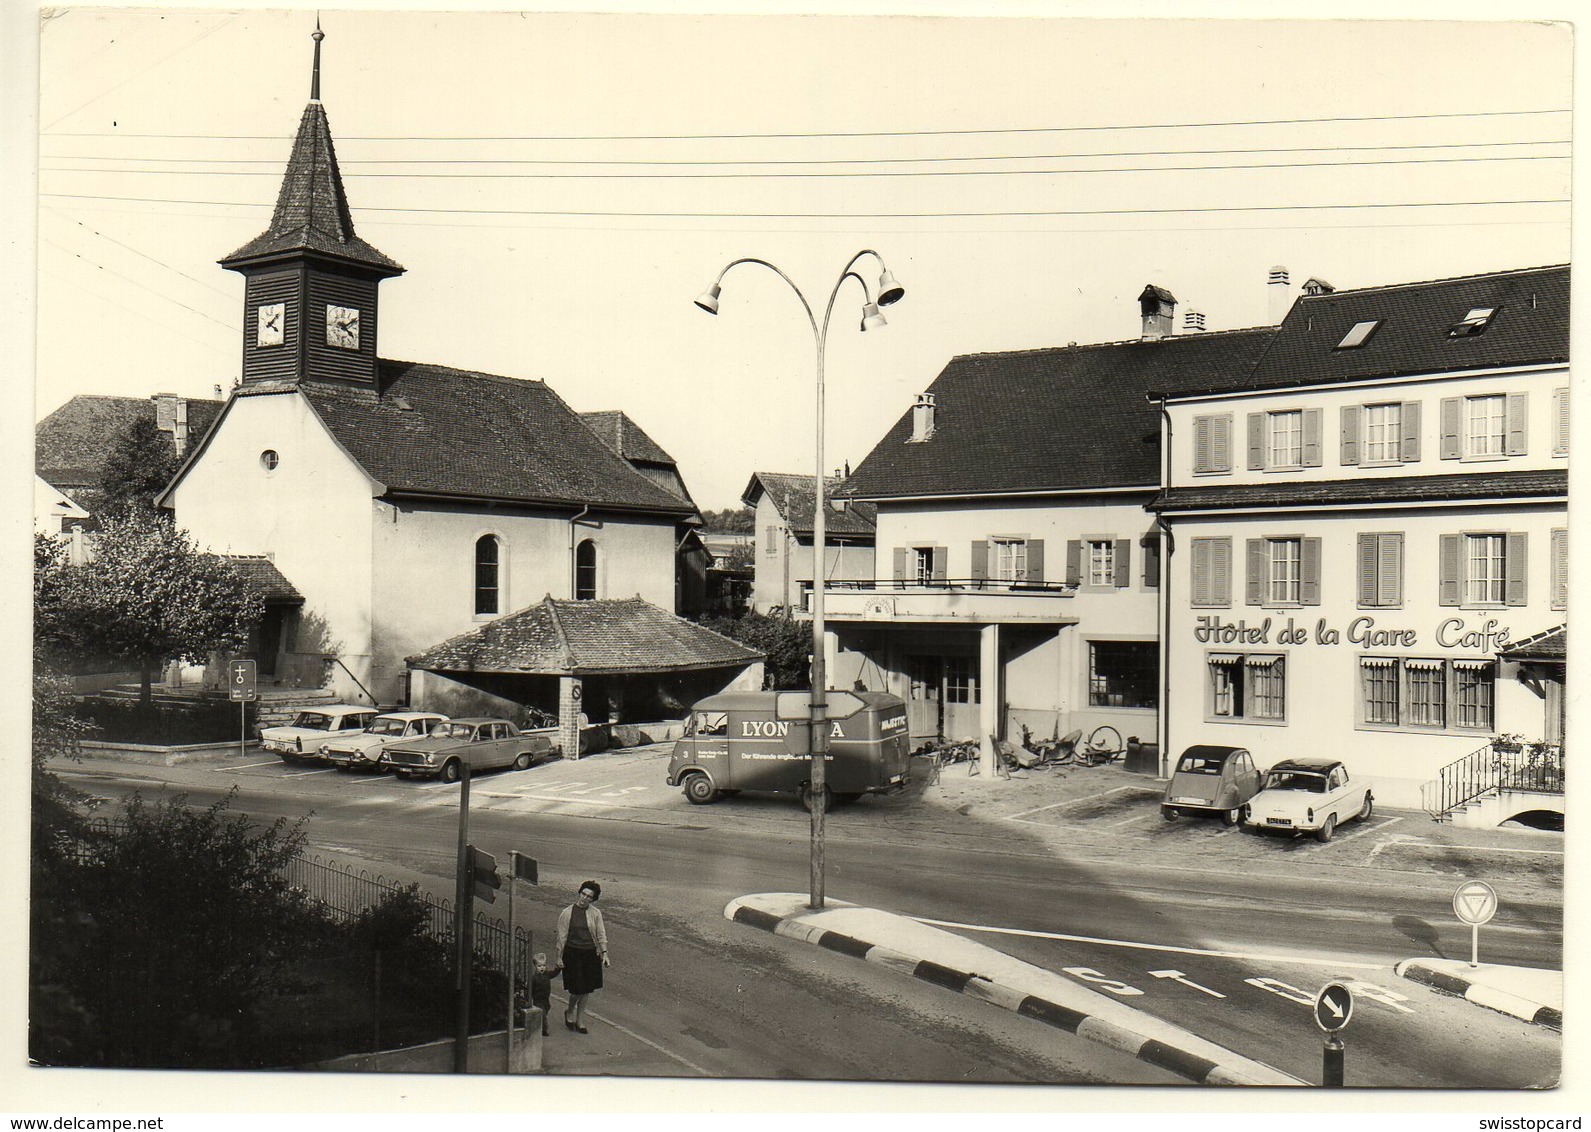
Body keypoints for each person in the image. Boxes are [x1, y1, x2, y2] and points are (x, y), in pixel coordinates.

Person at [555, 881, 610, 1034]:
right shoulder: (567, 913)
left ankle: (580, 1019)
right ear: (579, 893)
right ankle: (569, 1011)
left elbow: (601, 934)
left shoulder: (595, 913)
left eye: (589, 896)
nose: (584, 898)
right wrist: (559, 957)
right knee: (577, 989)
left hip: (590, 953)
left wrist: (604, 953)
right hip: (572, 953)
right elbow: (561, 937)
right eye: (583, 894)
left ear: (593, 899)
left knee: (586, 989)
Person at [528, 952, 559, 1037]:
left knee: (547, 1008)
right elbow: (530, 989)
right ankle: (544, 1030)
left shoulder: (547, 974)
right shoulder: (534, 978)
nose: (542, 968)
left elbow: (554, 974)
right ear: (535, 967)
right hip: (538, 999)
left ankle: (539, 1024)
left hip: (545, 998)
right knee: (543, 1014)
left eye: (544, 965)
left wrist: (558, 968)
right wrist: (529, 997)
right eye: (539, 966)